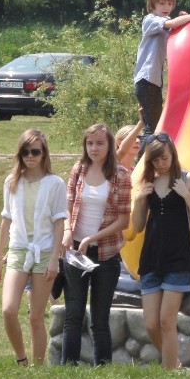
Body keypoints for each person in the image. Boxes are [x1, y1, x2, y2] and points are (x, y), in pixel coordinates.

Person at [132, 132, 190, 369]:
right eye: (155, 160)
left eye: (164, 158)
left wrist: (186, 195)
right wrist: (139, 201)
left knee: (167, 320)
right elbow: (137, 226)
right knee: (151, 324)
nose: (160, 164)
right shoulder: (149, 182)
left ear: (173, 154)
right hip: (152, 258)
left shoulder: (189, 178)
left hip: (179, 259)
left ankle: (169, 374)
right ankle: (173, 363)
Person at [0, 129, 67, 366]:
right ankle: (21, 359)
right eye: (25, 151)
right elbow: (6, 219)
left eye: (35, 151)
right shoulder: (12, 182)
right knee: (8, 309)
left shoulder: (55, 183)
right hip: (19, 249)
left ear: (44, 153)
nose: (30, 156)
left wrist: (55, 259)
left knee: (36, 317)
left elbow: (59, 222)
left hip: (44, 252)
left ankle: (37, 367)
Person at [60, 123, 132, 366]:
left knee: (100, 319)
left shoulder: (121, 175)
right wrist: (68, 232)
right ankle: (66, 370)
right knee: (73, 314)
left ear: (110, 145)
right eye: (90, 143)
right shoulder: (78, 169)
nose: (94, 148)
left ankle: (103, 370)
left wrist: (93, 238)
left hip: (106, 252)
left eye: (100, 143)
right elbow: (66, 207)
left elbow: (124, 220)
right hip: (75, 252)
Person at [133, 0, 190, 158]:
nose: (167, 7)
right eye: (162, 3)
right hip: (146, 79)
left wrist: (185, 19)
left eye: (170, 3)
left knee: (153, 124)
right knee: (153, 128)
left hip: (152, 81)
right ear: (152, 5)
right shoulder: (150, 20)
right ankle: (140, 166)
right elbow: (170, 25)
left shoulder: (164, 23)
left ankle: (144, 164)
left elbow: (175, 30)